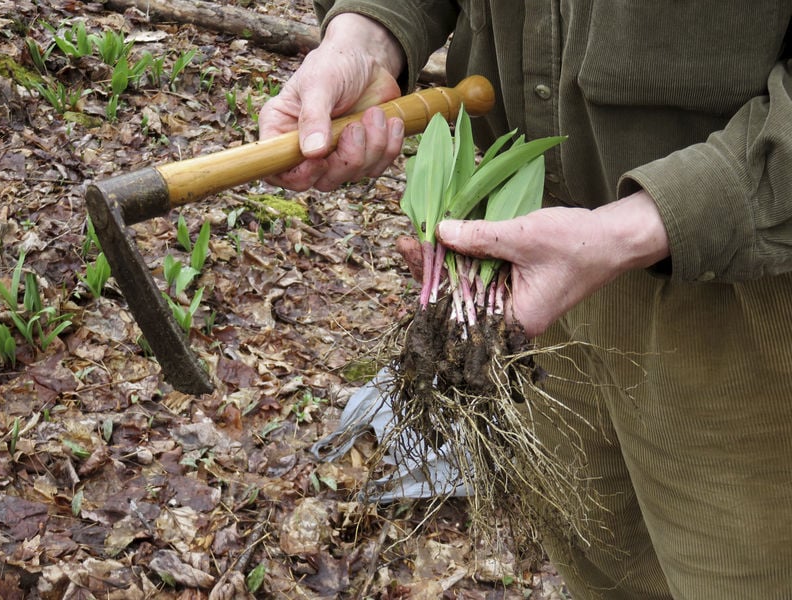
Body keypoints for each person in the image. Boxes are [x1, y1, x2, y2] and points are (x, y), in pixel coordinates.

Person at [258, 3, 792, 599]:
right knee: (599, 561)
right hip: (537, 281)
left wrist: (637, 227)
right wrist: (370, 32)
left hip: (749, 272)